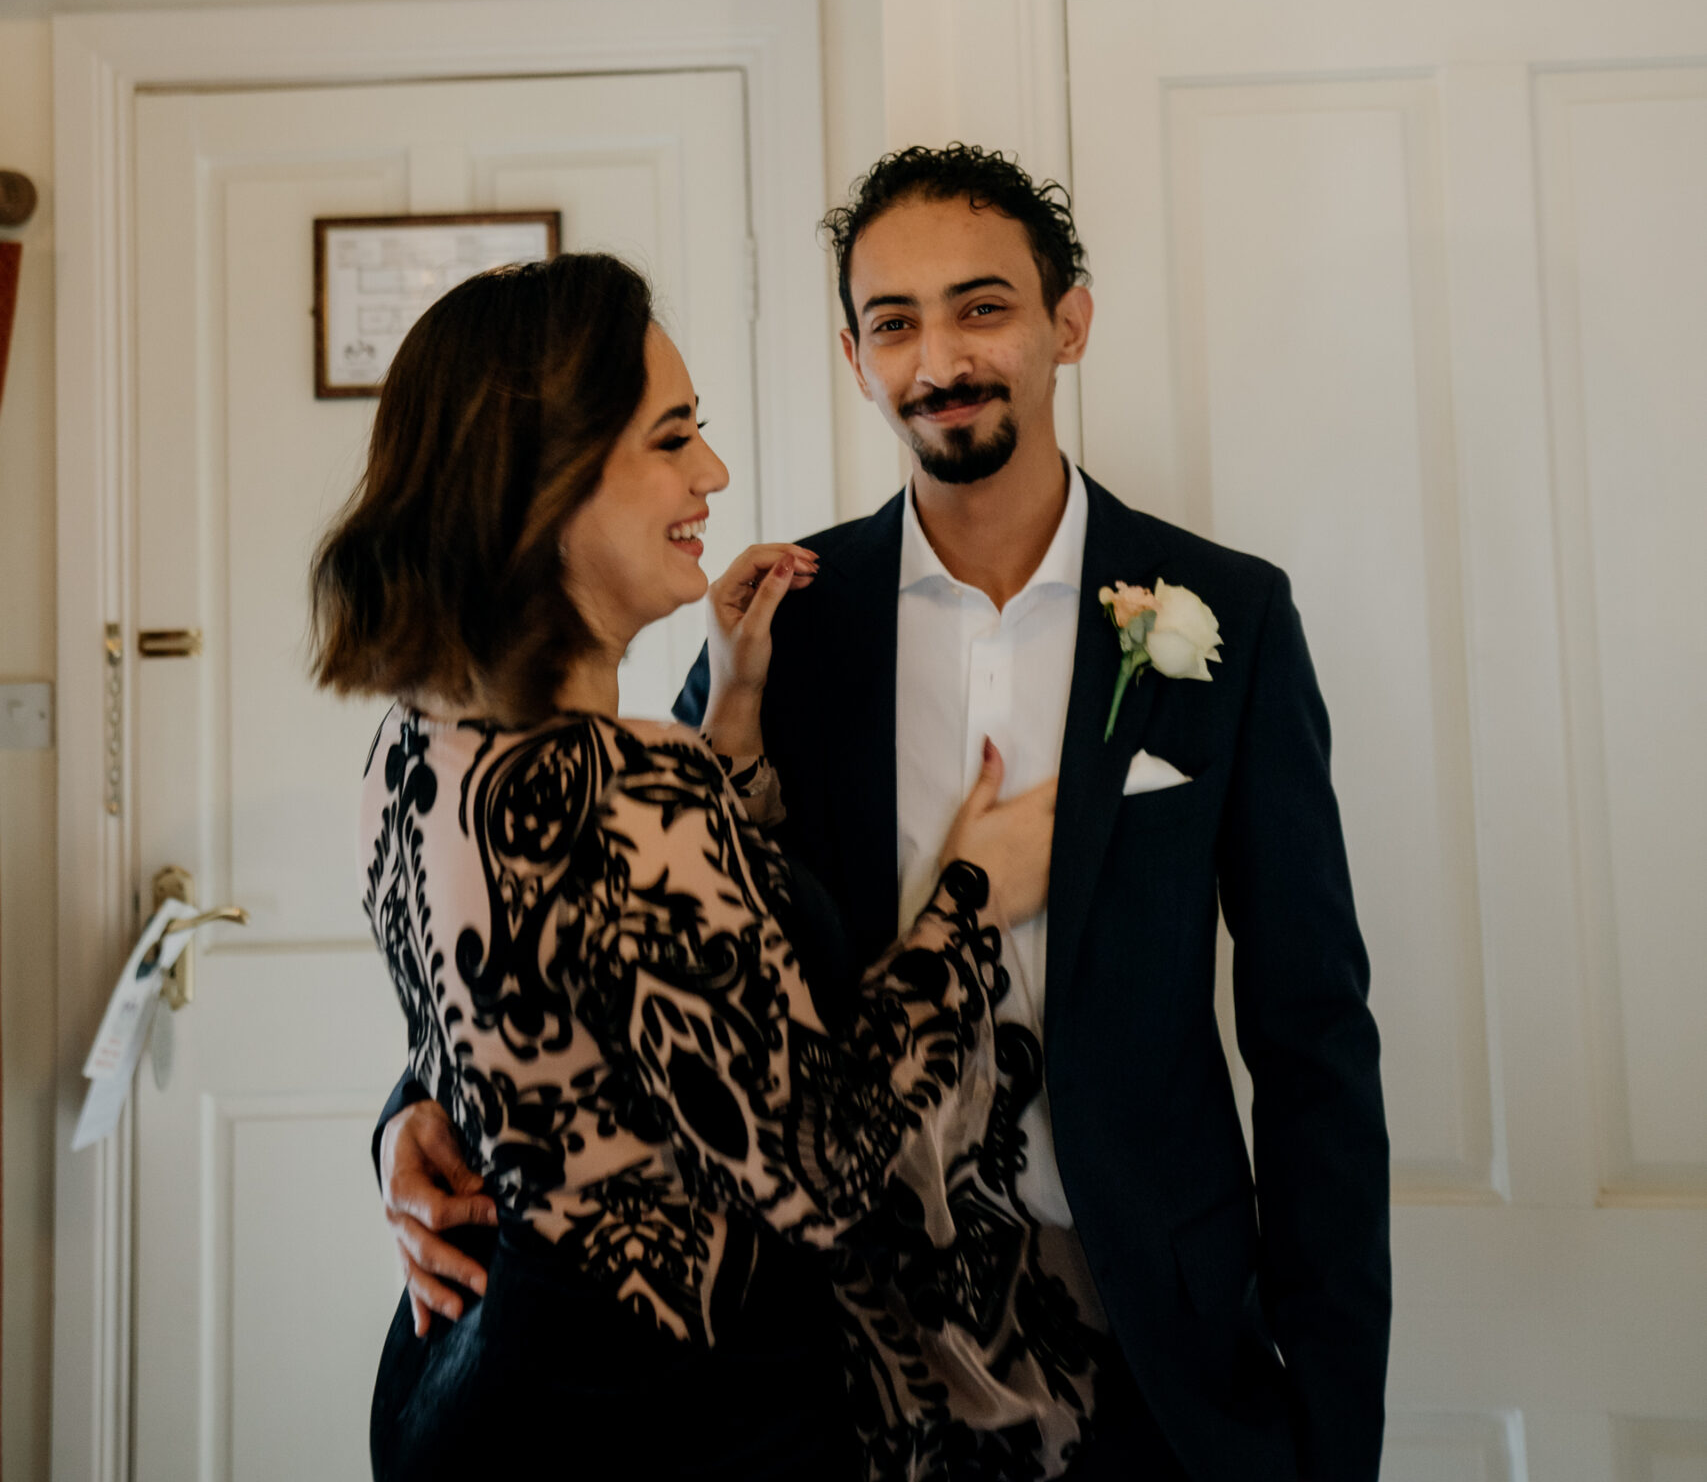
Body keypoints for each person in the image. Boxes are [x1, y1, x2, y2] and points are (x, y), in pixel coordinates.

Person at [380, 151, 1391, 1481]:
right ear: (851, 354)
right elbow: (599, 933)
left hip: (1150, 1328)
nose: (938, 359)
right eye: (894, 322)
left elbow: (1309, 1029)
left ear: (1064, 322)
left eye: (981, 309)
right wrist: (417, 1110)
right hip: (830, 1349)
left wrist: (1329, 1414)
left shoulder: (1230, 616)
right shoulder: (774, 625)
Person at [317, 246, 1093, 1482]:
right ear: (551, 481)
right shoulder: (627, 784)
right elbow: (825, 1168)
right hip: (663, 1417)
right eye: (672, 438)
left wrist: (731, 716)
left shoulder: (417, 742)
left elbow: (582, 976)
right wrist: (969, 900)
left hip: (470, 1384)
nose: (713, 474)